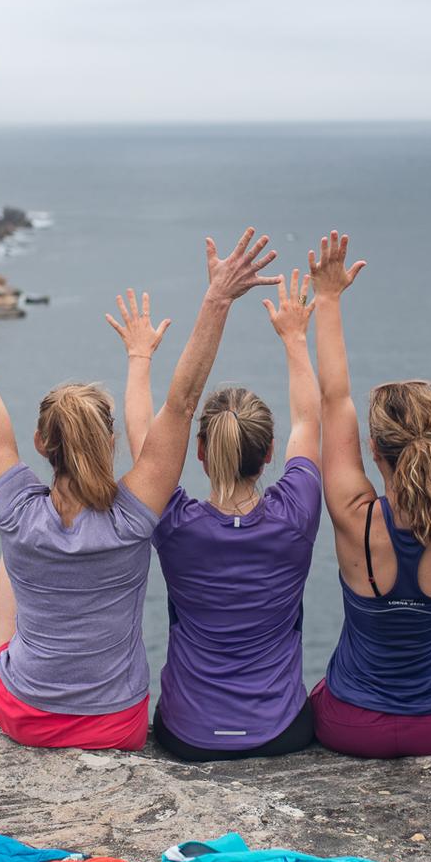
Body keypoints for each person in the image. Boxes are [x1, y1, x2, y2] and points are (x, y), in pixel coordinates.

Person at [0, 225, 279, 750]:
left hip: (23, 713)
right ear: (110, 444)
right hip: (115, 723)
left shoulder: (16, 511)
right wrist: (218, 298)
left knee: (7, 555)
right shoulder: (134, 516)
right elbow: (182, 402)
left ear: (41, 443)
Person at [109, 272, 324, 762]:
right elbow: (310, 420)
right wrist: (294, 337)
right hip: (280, 730)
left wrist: (139, 357)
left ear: (200, 454)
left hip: (188, 734)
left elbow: (146, 439)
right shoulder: (297, 512)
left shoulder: (174, 523)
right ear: (270, 451)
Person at [306, 228, 431, 758]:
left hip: (353, 724)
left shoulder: (353, 515)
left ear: (371, 448)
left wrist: (327, 298)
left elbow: (334, 398)